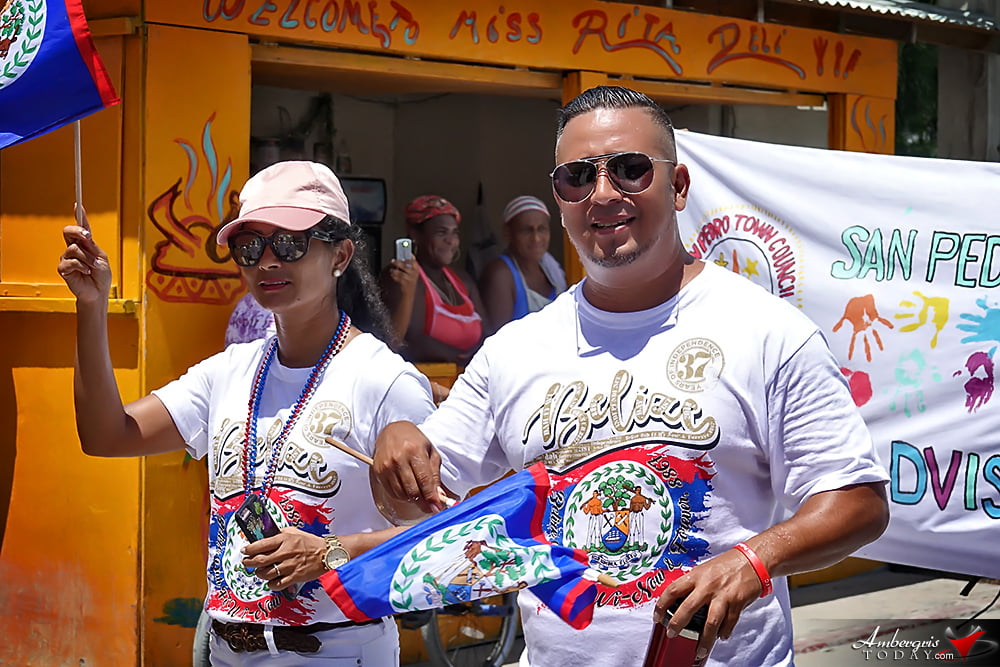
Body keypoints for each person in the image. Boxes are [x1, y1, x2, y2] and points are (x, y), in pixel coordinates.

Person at [368, 86, 890, 667]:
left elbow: (858, 503)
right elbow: (415, 502)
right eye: (577, 177)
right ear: (560, 199)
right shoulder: (514, 351)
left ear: (679, 186)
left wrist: (753, 560)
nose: (603, 193)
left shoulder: (770, 333)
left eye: (630, 169)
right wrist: (397, 444)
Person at [59, 160, 436, 665]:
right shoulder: (229, 372)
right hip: (226, 649)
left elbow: (443, 538)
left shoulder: (385, 381)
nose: (267, 261)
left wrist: (330, 551)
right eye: (250, 247)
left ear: (340, 255)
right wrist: (91, 306)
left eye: (289, 243)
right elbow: (106, 435)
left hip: (339, 652)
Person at [380, 195, 486, 364]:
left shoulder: (462, 280)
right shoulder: (400, 276)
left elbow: (488, 333)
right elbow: (411, 341)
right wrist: (461, 358)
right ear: (415, 234)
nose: (451, 241)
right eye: (441, 232)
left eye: (454, 233)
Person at [478, 195, 567, 333]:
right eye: (527, 230)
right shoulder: (500, 274)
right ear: (508, 233)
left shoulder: (550, 269)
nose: (536, 238)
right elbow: (500, 338)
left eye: (541, 229)